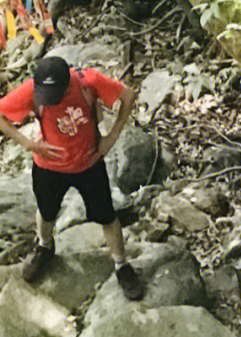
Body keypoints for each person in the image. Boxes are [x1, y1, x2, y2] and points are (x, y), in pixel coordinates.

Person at [0, 55, 144, 300]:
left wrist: (111, 138)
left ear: (67, 84)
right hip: (48, 168)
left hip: (89, 165)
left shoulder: (88, 81)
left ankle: (121, 265)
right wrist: (29, 144)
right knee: (46, 211)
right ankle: (44, 246)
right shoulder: (31, 89)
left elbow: (128, 96)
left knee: (107, 216)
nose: (49, 100)